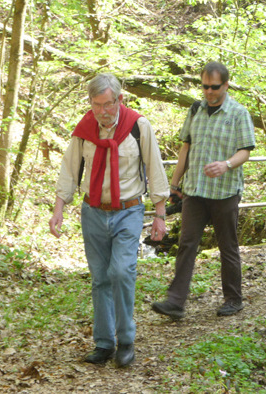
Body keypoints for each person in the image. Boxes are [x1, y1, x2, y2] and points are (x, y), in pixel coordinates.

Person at [49, 73, 169, 367]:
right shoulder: (84, 129)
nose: (103, 111)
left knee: (121, 272)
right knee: (101, 278)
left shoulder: (138, 126)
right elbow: (69, 169)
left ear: (120, 100)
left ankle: (126, 340)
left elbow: (154, 168)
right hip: (92, 212)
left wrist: (160, 214)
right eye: (96, 105)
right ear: (90, 104)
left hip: (128, 211)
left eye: (108, 104)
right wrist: (58, 208)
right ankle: (104, 343)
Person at [151, 61, 256, 319]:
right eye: (205, 87)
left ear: (226, 85)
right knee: (186, 243)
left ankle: (233, 298)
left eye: (214, 87)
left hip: (225, 191)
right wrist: (174, 185)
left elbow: (246, 150)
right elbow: (185, 147)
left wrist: (226, 164)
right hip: (195, 190)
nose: (209, 92)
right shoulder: (196, 109)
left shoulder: (238, 113)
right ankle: (175, 302)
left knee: (227, 245)